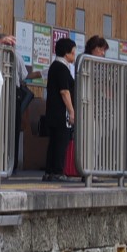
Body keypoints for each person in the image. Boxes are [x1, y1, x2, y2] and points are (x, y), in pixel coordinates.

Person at [44, 37, 78, 182]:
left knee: (53, 142)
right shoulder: (62, 68)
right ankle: (57, 171)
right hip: (61, 112)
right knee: (61, 142)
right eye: (73, 52)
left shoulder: (54, 66)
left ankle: (49, 172)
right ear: (66, 53)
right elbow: (65, 91)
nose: (74, 55)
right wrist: (71, 111)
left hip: (52, 111)